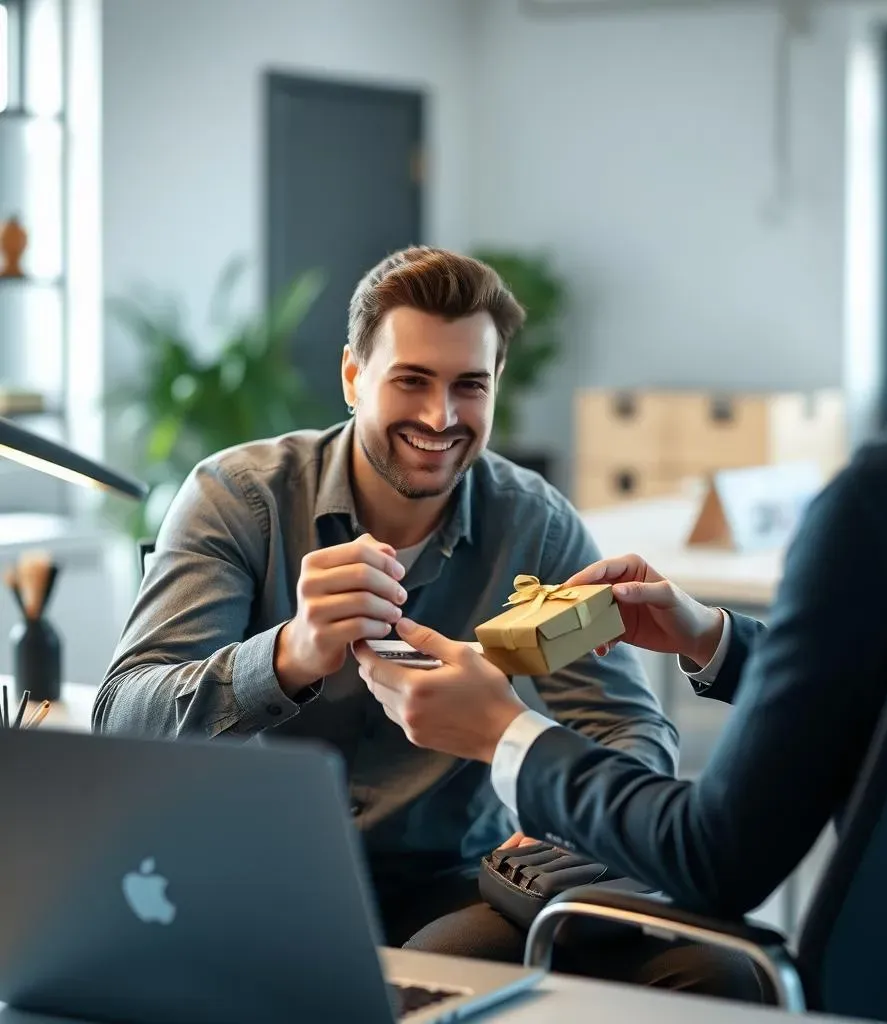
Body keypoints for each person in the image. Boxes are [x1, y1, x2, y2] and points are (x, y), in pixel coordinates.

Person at [351, 316, 887, 996]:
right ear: (356, 377)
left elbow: (712, 856)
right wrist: (715, 639)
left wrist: (509, 736)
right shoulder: (251, 498)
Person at [94, 246, 679, 947]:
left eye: (469, 385)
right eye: (412, 380)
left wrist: (568, 817)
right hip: (244, 885)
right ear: (353, 376)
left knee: (696, 971)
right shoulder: (240, 499)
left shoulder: (536, 525)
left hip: (454, 887)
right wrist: (289, 656)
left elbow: (632, 731)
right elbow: (123, 720)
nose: (440, 417)